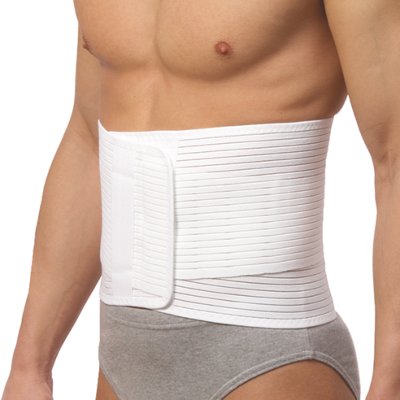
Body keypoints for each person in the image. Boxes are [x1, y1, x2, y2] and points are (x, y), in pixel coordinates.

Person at [2, 1, 400, 399]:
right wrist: (30, 365)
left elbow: (393, 156)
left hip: (271, 354)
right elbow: (89, 140)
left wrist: (392, 382)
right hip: (123, 355)